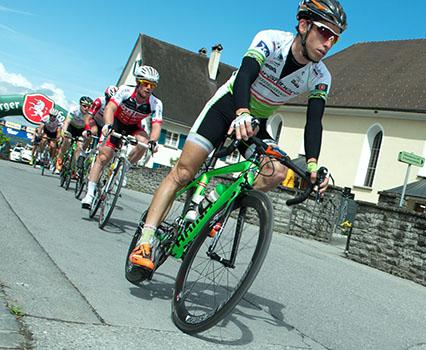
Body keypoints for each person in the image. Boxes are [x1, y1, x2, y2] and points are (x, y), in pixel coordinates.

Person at [128, 0, 347, 273]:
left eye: (335, 38)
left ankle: (219, 199)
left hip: (257, 121)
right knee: (183, 173)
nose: (329, 43)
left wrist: (313, 165)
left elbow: (314, 120)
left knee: (276, 172)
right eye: (325, 32)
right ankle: (145, 239)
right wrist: (241, 111)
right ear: (304, 25)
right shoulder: (270, 40)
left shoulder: (320, 75)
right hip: (228, 106)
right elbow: (244, 75)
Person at [80, 65, 163, 208]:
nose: (149, 88)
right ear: (138, 82)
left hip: (134, 127)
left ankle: (124, 168)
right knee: (104, 157)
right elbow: (110, 108)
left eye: (152, 85)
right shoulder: (125, 90)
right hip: (117, 123)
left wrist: (153, 141)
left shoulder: (156, 103)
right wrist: (108, 124)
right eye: (146, 84)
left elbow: (156, 125)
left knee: (143, 142)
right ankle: (90, 193)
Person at [56, 96, 93, 172]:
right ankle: (59, 161)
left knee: (79, 147)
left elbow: (89, 126)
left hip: (81, 130)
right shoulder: (74, 110)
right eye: (84, 106)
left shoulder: (89, 114)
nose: (86, 108)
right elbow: (67, 122)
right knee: (67, 142)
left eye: (89, 107)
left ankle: (73, 167)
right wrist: (64, 132)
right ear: (80, 105)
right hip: (71, 128)